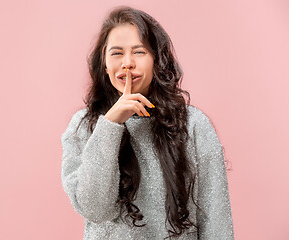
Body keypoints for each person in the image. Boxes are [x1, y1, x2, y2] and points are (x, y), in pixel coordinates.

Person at [61, 6, 234, 240]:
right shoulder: (83, 127)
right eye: (116, 53)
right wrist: (111, 125)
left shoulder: (193, 125)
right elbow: (95, 209)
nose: (128, 63)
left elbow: (216, 222)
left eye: (139, 52)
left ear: (156, 59)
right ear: (104, 64)